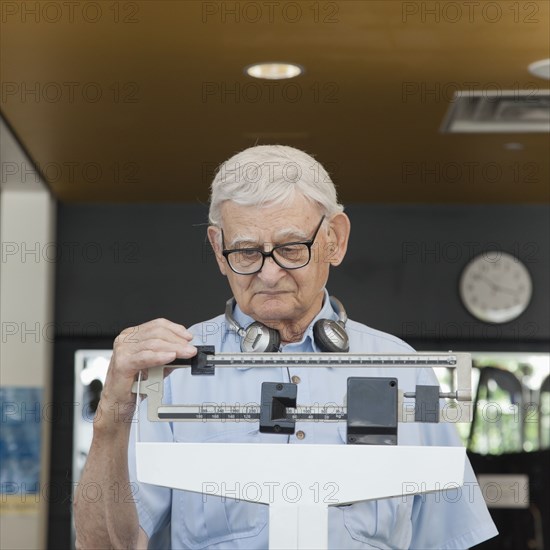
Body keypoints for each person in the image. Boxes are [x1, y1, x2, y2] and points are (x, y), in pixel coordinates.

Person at [74, 145, 498, 549]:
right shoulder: (173, 373)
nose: (270, 275)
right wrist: (112, 413)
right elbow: (107, 545)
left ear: (335, 239)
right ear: (219, 251)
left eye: (291, 248)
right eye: (245, 252)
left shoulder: (402, 370)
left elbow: (448, 537)